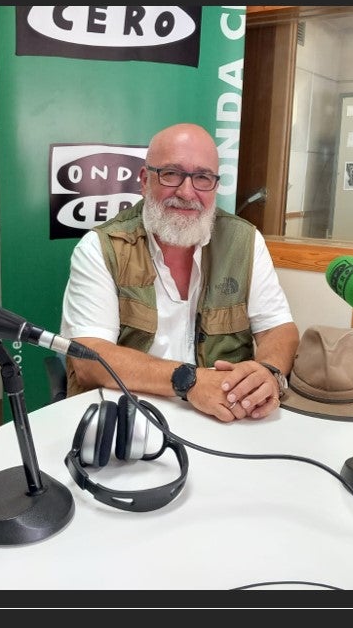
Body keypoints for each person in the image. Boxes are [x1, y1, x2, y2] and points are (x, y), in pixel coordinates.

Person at [60, 122, 299, 422]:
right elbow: (89, 358)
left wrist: (268, 372)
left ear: (215, 185)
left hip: (225, 418)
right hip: (132, 419)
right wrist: (190, 381)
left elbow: (278, 328)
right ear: (145, 180)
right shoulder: (100, 247)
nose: (187, 192)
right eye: (171, 174)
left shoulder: (245, 242)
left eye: (202, 177)